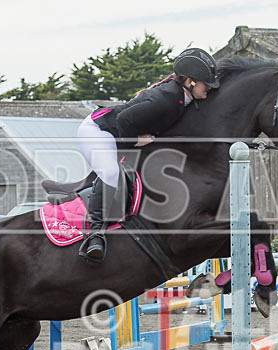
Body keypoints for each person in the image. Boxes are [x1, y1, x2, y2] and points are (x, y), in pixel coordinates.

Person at [76, 48, 220, 263]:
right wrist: (135, 140)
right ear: (189, 81)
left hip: (116, 133)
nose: (209, 88)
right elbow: (125, 120)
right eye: (205, 83)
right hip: (97, 131)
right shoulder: (166, 99)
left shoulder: (183, 98)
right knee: (111, 174)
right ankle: (95, 236)